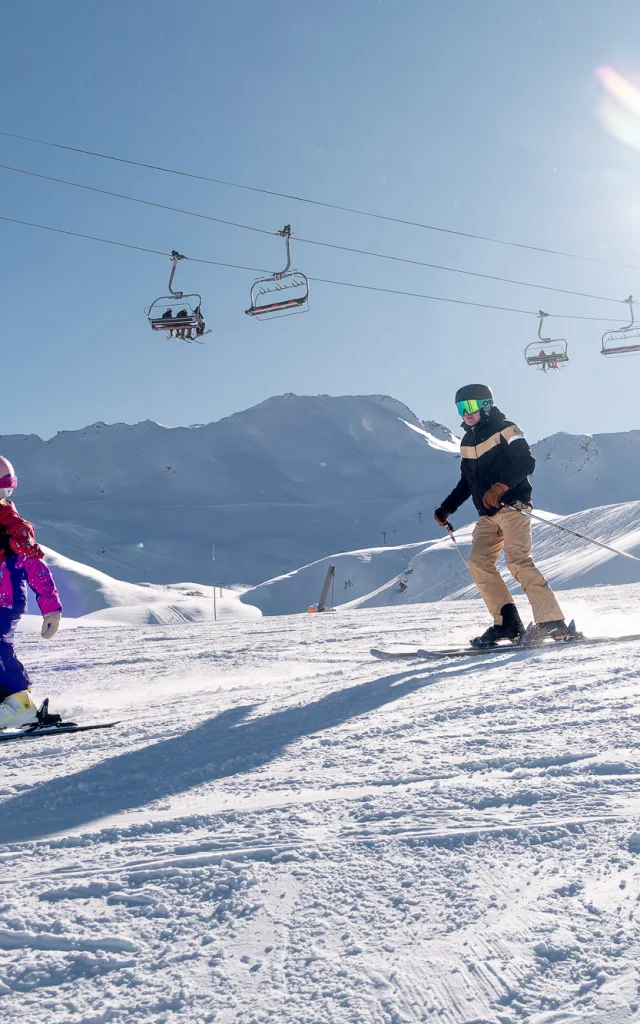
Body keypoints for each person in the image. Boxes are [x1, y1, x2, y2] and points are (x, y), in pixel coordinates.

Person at [434, 384, 569, 647]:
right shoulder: (467, 442)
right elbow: (466, 482)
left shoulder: (507, 429)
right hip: (487, 514)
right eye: (460, 408)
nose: (465, 413)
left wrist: (501, 487)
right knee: (478, 563)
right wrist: (447, 507)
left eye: (470, 406)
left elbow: (525, 462)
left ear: (486, 404)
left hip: (512, 505)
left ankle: (552, 621)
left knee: (517, 561)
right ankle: (507, 623)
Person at [0, 457, 62, 729]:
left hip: (5, 599)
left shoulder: (12, 526)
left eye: (6, 491)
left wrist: (50, 608)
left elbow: (35, 565)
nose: (4, 497)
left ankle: (22, 705)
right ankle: (7, 704)